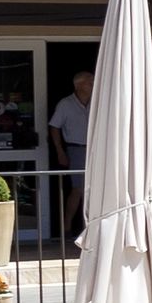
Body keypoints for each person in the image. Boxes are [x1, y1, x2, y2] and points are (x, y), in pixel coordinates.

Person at [46, 69, 95, 242]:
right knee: (79, 189)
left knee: (96, 189)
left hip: (95, 149)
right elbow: (54, 126)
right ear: (79, 85)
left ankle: (89, 228)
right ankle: (67, 227)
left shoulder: (97, 102)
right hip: (76, 149)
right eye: (90, 82)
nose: (93, 84)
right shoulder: (65, 104)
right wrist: (60, 151)